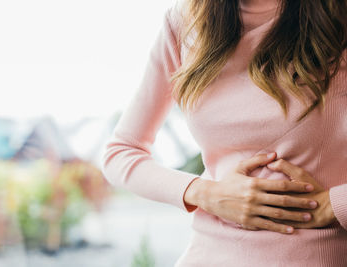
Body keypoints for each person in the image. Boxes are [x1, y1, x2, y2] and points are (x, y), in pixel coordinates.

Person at [101, 0, 347, 266]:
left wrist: (334, 205)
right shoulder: (185, 23)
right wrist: (206, 193)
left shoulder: (336, 17)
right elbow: (120, 152)